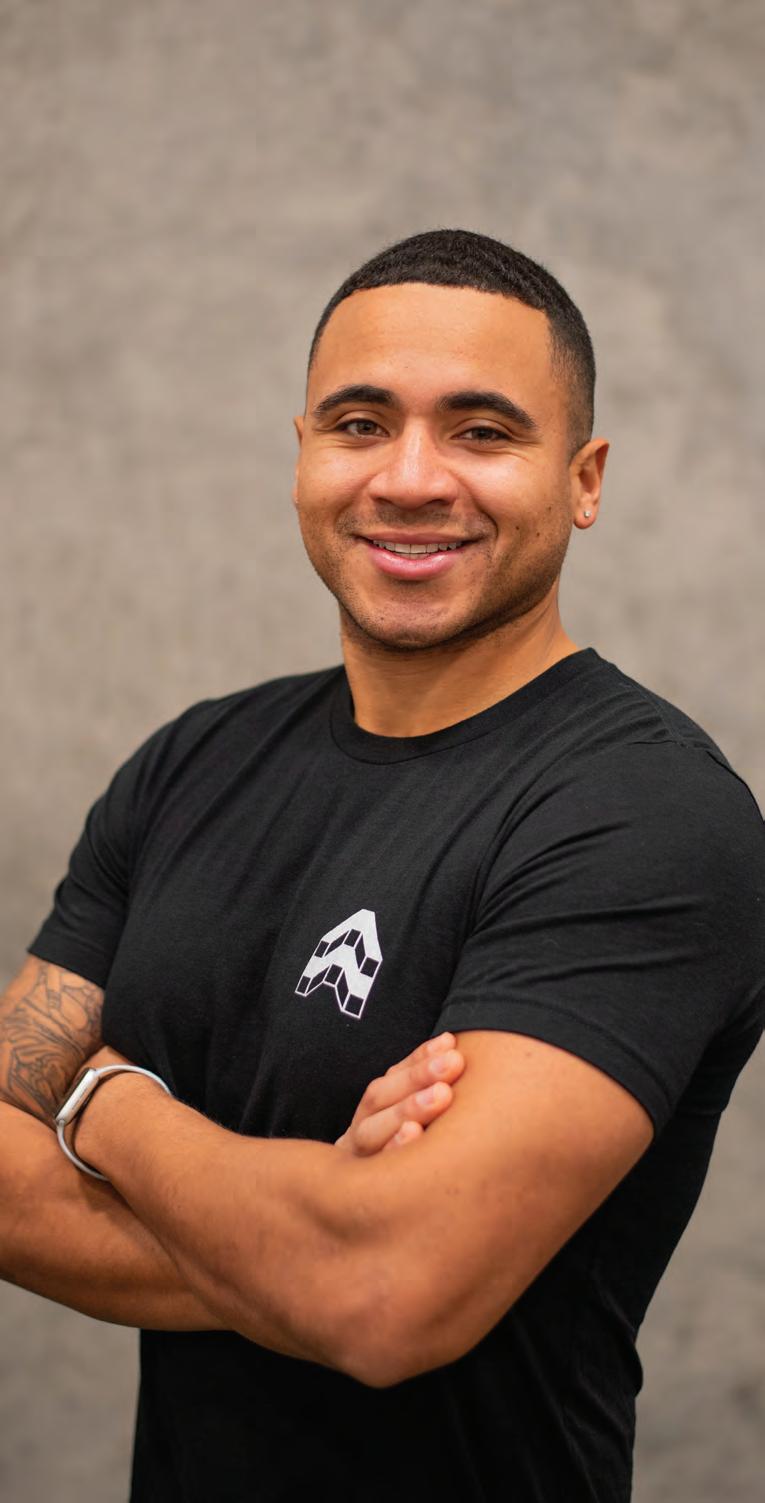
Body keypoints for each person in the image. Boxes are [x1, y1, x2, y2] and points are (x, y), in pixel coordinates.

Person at [1, 227, 763, 1503]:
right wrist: (300, 1242)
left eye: (482, 431)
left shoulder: (646, 816)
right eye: (360, 424)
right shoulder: (191, 763)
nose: (410, 479)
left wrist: (103, 1100)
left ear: (583, 479)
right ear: (303, 451)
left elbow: (384, 1295)